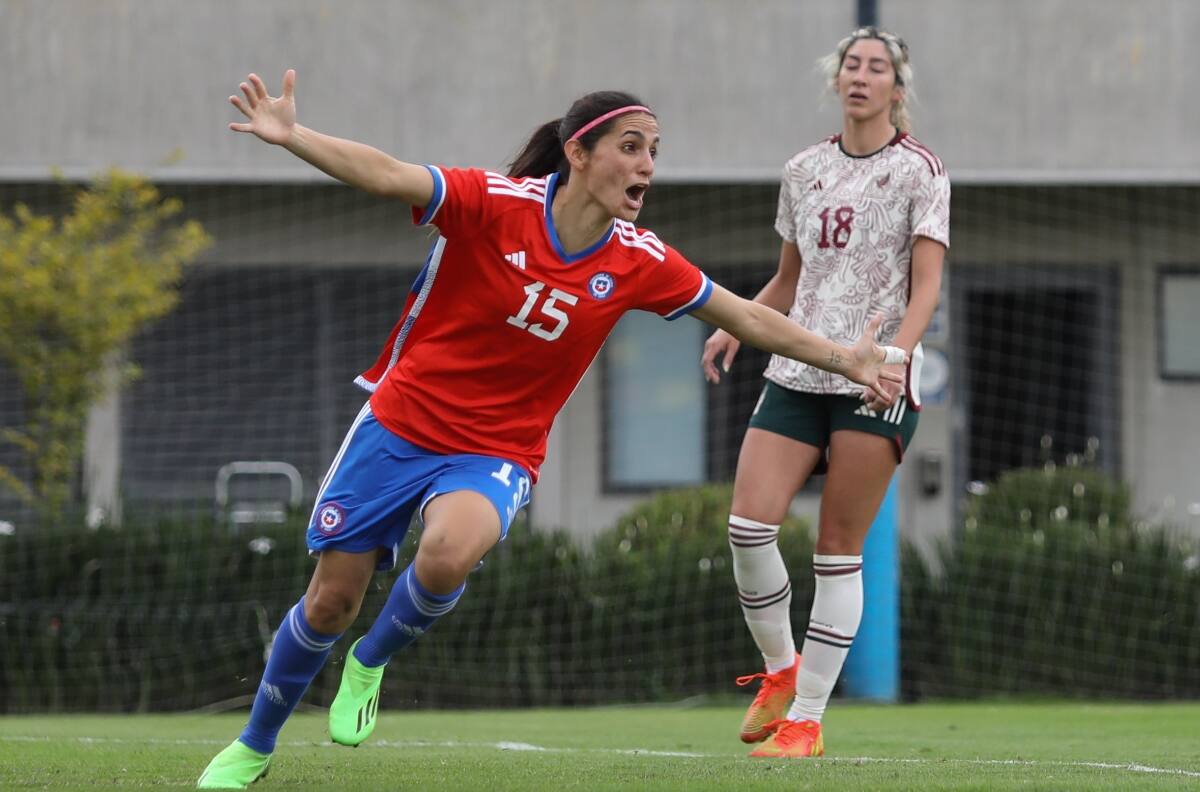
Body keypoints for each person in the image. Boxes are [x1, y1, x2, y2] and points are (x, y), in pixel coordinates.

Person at [197, 68, 907, 789]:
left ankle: (369, 660)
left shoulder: (639, 259)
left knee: (448, 553)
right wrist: (293, 137)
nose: (647, 166)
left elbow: (746, 316)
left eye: (654, 151)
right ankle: (254, 745)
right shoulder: (490, 203)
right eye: (631, 147)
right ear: (578, 152)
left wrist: (842, 358)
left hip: (495, 450)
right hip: (398, 423)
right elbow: (385, 175)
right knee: (329, 600)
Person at [701, 26, 949, 759]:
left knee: (838, 552)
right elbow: (789, 276)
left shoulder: (921, 171)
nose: (861, 76)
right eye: (851, 65)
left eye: (877, 68)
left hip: (877, 377)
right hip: (802, 367)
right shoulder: (803, 168)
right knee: (748, 527)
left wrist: (899, 357)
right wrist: (739, 322)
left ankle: (806, 721)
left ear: (896, 90)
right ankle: (782, 671)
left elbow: (928, 284)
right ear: (836, 80)